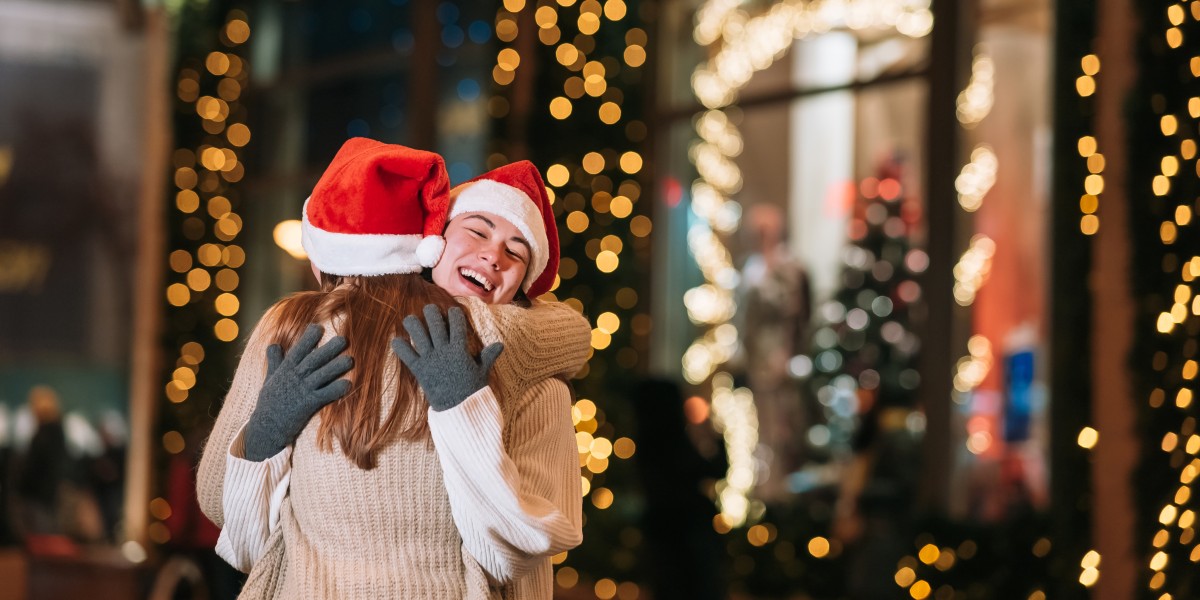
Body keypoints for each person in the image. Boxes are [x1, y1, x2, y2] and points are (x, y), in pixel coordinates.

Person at [196, 138, 590, 599]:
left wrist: (465, 412)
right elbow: (226, 516)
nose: (493, 256)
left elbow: (515, 555)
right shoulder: (299, 330)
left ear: (524, 281)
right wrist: (264, 435)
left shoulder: (533, 378)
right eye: (478, 231)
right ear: (433, 240)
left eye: (516, 252)